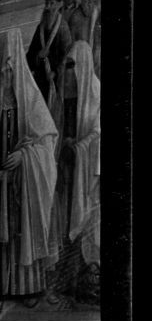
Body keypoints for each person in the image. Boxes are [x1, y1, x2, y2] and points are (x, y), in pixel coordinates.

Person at [0, 28, 59, 312]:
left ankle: (28, 288)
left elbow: (47, 141)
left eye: (12, 68)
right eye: (2, 68)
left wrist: (25, 156)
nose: (7, 75)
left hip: (23, 184)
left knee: (21, 230)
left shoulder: (31, 100)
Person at [49, 40, 100, 304]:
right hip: (67, 174)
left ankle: (88, 283)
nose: (67, 72)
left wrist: (78, 146)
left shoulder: (95, 93)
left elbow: (98, 133)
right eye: (66, 66)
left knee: (87, 225)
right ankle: (67, 283)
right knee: (66, 224)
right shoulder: (64, 98)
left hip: (87, 177)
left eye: (72, 66)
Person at [26, 0, 74, 112]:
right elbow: (30, 55)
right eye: (46, 3)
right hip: (41, 79)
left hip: (56, 81)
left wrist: (56, 72)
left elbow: (68, 56)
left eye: (51, 3)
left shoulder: (63, 28)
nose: (47, 7)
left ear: (59, 5)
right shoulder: (40, 27)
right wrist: (38, 56)